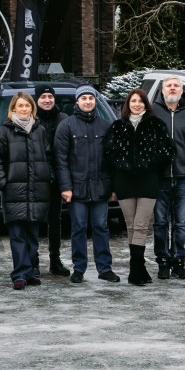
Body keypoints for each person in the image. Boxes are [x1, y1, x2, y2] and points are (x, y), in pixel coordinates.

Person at [104, 88, 174, 286]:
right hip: (124, 181)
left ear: (146, 104)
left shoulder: (156, 125)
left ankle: (135, 269)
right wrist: (123, 165)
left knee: (141, 225)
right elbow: (108, 153)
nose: (137, 104)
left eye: (140, 101)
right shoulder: (118, 126)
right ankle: (139, 267)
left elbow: (168, 151)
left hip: (147, 180)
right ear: (128, 104)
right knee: (131, 225)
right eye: (133, 101)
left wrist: (149, 163)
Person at [0, 92, 54, 289]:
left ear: (32, 108)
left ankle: (30, 271)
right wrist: (4, 182)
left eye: (27, 105)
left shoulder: (39, 130)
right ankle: (19, 274)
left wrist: (49, 177)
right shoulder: (5, 131)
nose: (24, 109)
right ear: (13, 109)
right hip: (14, 192)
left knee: (33, 236)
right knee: (18, 236)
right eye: (20, 106)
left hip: (37, 192)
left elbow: (48, 156)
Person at [54, 89, 118, 283]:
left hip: (100, 187)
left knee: (101, 227)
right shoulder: (66, 126)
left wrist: (113, 187)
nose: (88, 101)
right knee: (78, 228)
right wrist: (66, 187)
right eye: (84, 98)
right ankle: (79, 268)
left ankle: (104, 268)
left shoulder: (106, 126)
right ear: (77, 101)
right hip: (77, 188)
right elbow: (61, 160)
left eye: (91, 98)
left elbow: (112, 160)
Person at [146, 76, 185, 280]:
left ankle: (178, 261)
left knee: (180, 224)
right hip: (159, 178)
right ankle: (163, 261)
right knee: (160, 223)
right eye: (168, 85)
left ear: (181, 90)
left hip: (183, 177)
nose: (172, 88)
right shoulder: (152, 112)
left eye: (176, 85)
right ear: (162, 90)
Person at [33, 84, 70, 277]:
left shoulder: (63, 119)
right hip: (35, 178)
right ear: (37, 99)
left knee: (55, 221)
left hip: (57, 178)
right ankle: (33, 262)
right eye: (43, 97)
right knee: (34, 221)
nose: (47, 100)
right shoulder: (31, 119)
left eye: (50, 97)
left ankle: (55, 260)